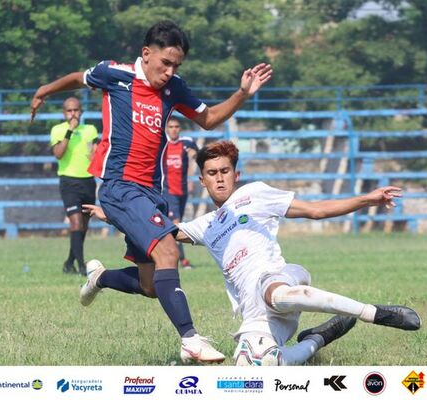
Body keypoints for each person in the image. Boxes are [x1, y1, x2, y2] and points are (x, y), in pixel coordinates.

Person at [30, 21, 272, 364]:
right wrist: (45, 89)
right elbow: (76, 78)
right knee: (169, 252)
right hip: (118, 186)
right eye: (165, 64)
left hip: (148, 193)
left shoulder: (174, 89)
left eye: (177, 66)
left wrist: (242, 94)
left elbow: (210, 118)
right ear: (147, 54)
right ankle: (190, 340)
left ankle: (101, 277)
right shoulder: (113, 74)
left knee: (149, 284)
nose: (170, 72)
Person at [82, 140, 421, 366]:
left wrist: (367, 199)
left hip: (279, 279)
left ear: (236, 174)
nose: (219, 179)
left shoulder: (256, 194)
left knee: (279, 294)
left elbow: (316, 210)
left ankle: (374, 313)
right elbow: (158, 236)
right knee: (257, 368)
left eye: (225, 172)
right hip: (256, 316)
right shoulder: (206, 225)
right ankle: (319, 337)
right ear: (202, 180)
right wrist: (115, 214)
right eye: (212, 174)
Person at [50, 97, 98, 276]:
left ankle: (69, 262)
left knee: (83, 226)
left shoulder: (90, 130)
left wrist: (95, 155)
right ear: (64, 113)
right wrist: (69, 131)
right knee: (76, 223)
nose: (73, 114)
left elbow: (95, 152)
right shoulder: (58, 130)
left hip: (88, 181)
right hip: (69, 181)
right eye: (69, 111)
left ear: (81, 112)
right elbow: (58, 154)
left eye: (76, 110)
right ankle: (81, 266)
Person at [162, 117, 199, 269]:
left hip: (182, 191)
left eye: (177, 126)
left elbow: (197, 155)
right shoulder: (162, 146)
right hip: (167, 191)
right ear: (167, 129)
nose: (174, 129)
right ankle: (181, 260)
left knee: (177, 225)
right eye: (171, 127)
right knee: (176, 225)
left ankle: (169, 255)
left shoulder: (186, 144)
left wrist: (194, 155)